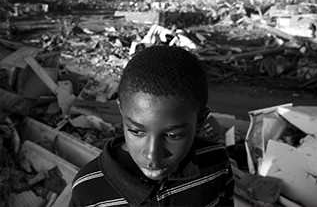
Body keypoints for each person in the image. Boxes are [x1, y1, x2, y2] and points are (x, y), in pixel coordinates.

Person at [69, 46, 235, 207]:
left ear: (200, 121)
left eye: (173, 135)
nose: (152, 156)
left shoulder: (216, 164)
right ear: (121, 111)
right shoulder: (88, 188)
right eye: (136, 131)